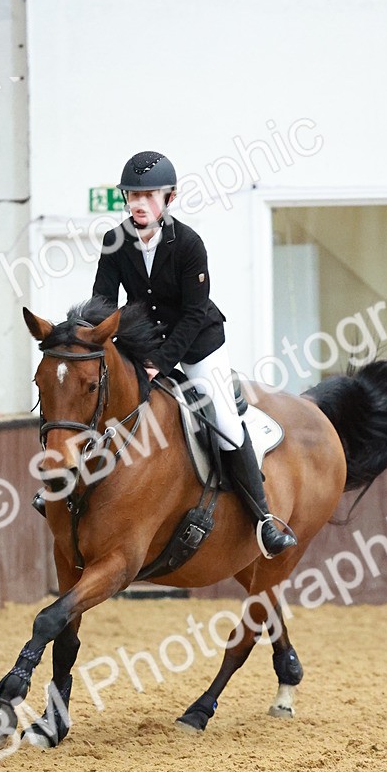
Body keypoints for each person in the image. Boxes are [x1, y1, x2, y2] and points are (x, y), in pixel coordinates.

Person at [89, 150, 296, 559]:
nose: (139, 204)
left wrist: (159, 364)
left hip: (197, 341)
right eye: (132, 196)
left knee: (224, 420)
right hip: (142, 343)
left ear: (169, 198)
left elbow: (193, 312)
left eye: (149, 196)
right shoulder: (116, 241)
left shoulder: (187, 243)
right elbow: (102, 304)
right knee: (99, 402)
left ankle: (263, 520)